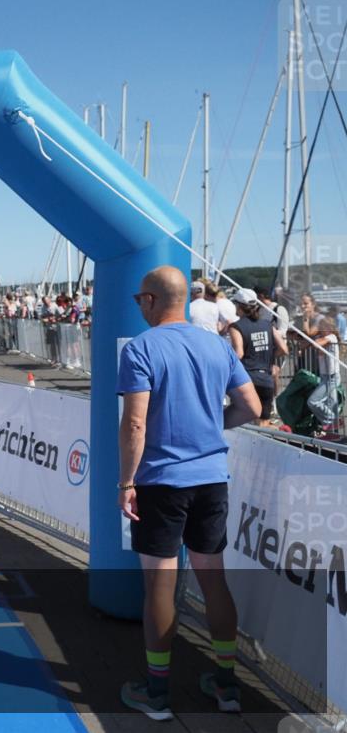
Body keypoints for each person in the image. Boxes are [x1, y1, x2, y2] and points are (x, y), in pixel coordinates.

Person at [116, 266, 261, 721]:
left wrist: (126, 482)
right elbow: (252, 407)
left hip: (162, 481)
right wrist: (211, 428)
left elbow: (135, 424)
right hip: (211, 478)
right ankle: (227, 685)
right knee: (213, 579)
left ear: (151, 300)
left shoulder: (141, 348)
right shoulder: (217, 344)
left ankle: (158, 692)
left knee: (160, 585)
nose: (139, 306)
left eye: (139, 299)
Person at [228, 289, 287, 426]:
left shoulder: (236, 327)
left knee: (241, 424)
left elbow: (239, 354)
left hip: (246, 380)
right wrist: (268, 355)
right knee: (263, 424)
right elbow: (284, 349)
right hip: (266, 379)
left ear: (239, 306)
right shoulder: (267, 325)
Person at [306, 318, 342, 439]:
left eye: (323, 327)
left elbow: (317, 344)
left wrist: (314, 337)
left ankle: (332, 420)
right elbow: (310, 345)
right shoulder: (322, 338)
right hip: (325, 376)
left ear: (330, 328)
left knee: (313, 401)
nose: (320, 329)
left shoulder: (332, 337)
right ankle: (333, 433)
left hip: (332, 377)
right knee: (331, 404)